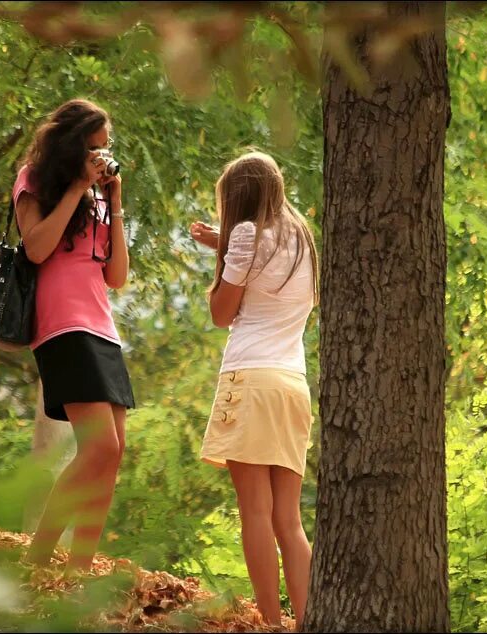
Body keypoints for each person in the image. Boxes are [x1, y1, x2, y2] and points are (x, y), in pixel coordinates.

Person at [189, 151, 319, 627]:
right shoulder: (300, 239)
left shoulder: (244, 234)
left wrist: (221, 256)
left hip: (249, 381)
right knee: (289, 519)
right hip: (291, 385)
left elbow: (223, 312)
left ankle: (268, 623)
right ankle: (305, 622)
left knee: (255, 514)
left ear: (238, 198)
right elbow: (264, 262)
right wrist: (221, 244)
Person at [13, 98, 134, 575]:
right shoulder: (34, 179)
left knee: (112, 453)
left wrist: (115, 201)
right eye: (94, 148)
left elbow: (117, 276)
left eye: (105, 149)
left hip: (102, 325)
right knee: (99, 448)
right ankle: (38, 560)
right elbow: (37, 248)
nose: (101, 157)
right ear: (72, 143)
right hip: (62, 321)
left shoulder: (99, 196)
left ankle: (79, 572)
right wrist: (78, 188)